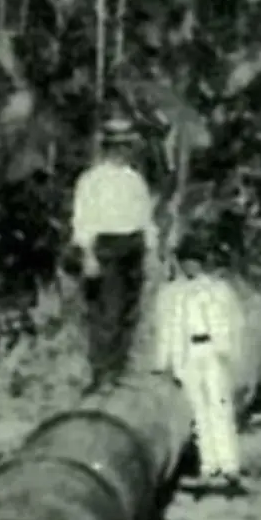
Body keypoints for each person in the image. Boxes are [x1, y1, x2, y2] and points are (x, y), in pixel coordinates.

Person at [151, 231, 249, 493]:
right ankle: (209, 466)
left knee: (219, 404)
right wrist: (163, 363)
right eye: (186, 261)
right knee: (198, 411)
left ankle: (228, 465)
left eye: (195, 260)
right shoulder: (171, 294)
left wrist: (233, 355)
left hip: (213, 351)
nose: (190, 265)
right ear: (180, 263)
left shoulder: (217, 290)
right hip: (187, 354)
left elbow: (234, 322)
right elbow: (165, 329)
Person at [67, 113, 159, 389]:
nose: (124, 151)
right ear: (109, 147)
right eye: (119, 145)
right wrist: (89, 255)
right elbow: (82, 219)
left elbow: (145, 217)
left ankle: (118, 370)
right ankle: (101, 373)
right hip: (105, 247)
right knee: (107, 310)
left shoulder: (133, 179)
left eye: (127, 145)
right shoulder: (92, 180)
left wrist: (151, 251)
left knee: (129, 312)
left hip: (133, 244)